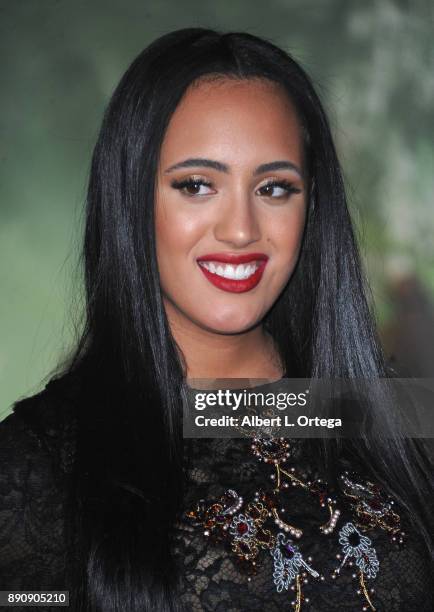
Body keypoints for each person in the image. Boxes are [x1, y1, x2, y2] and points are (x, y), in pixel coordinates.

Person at [0, 27, 432, 612]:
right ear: (131, 198)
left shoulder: (398, 420)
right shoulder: (43, 460)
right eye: (197, 185)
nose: (240, 230)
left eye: (276, 188)